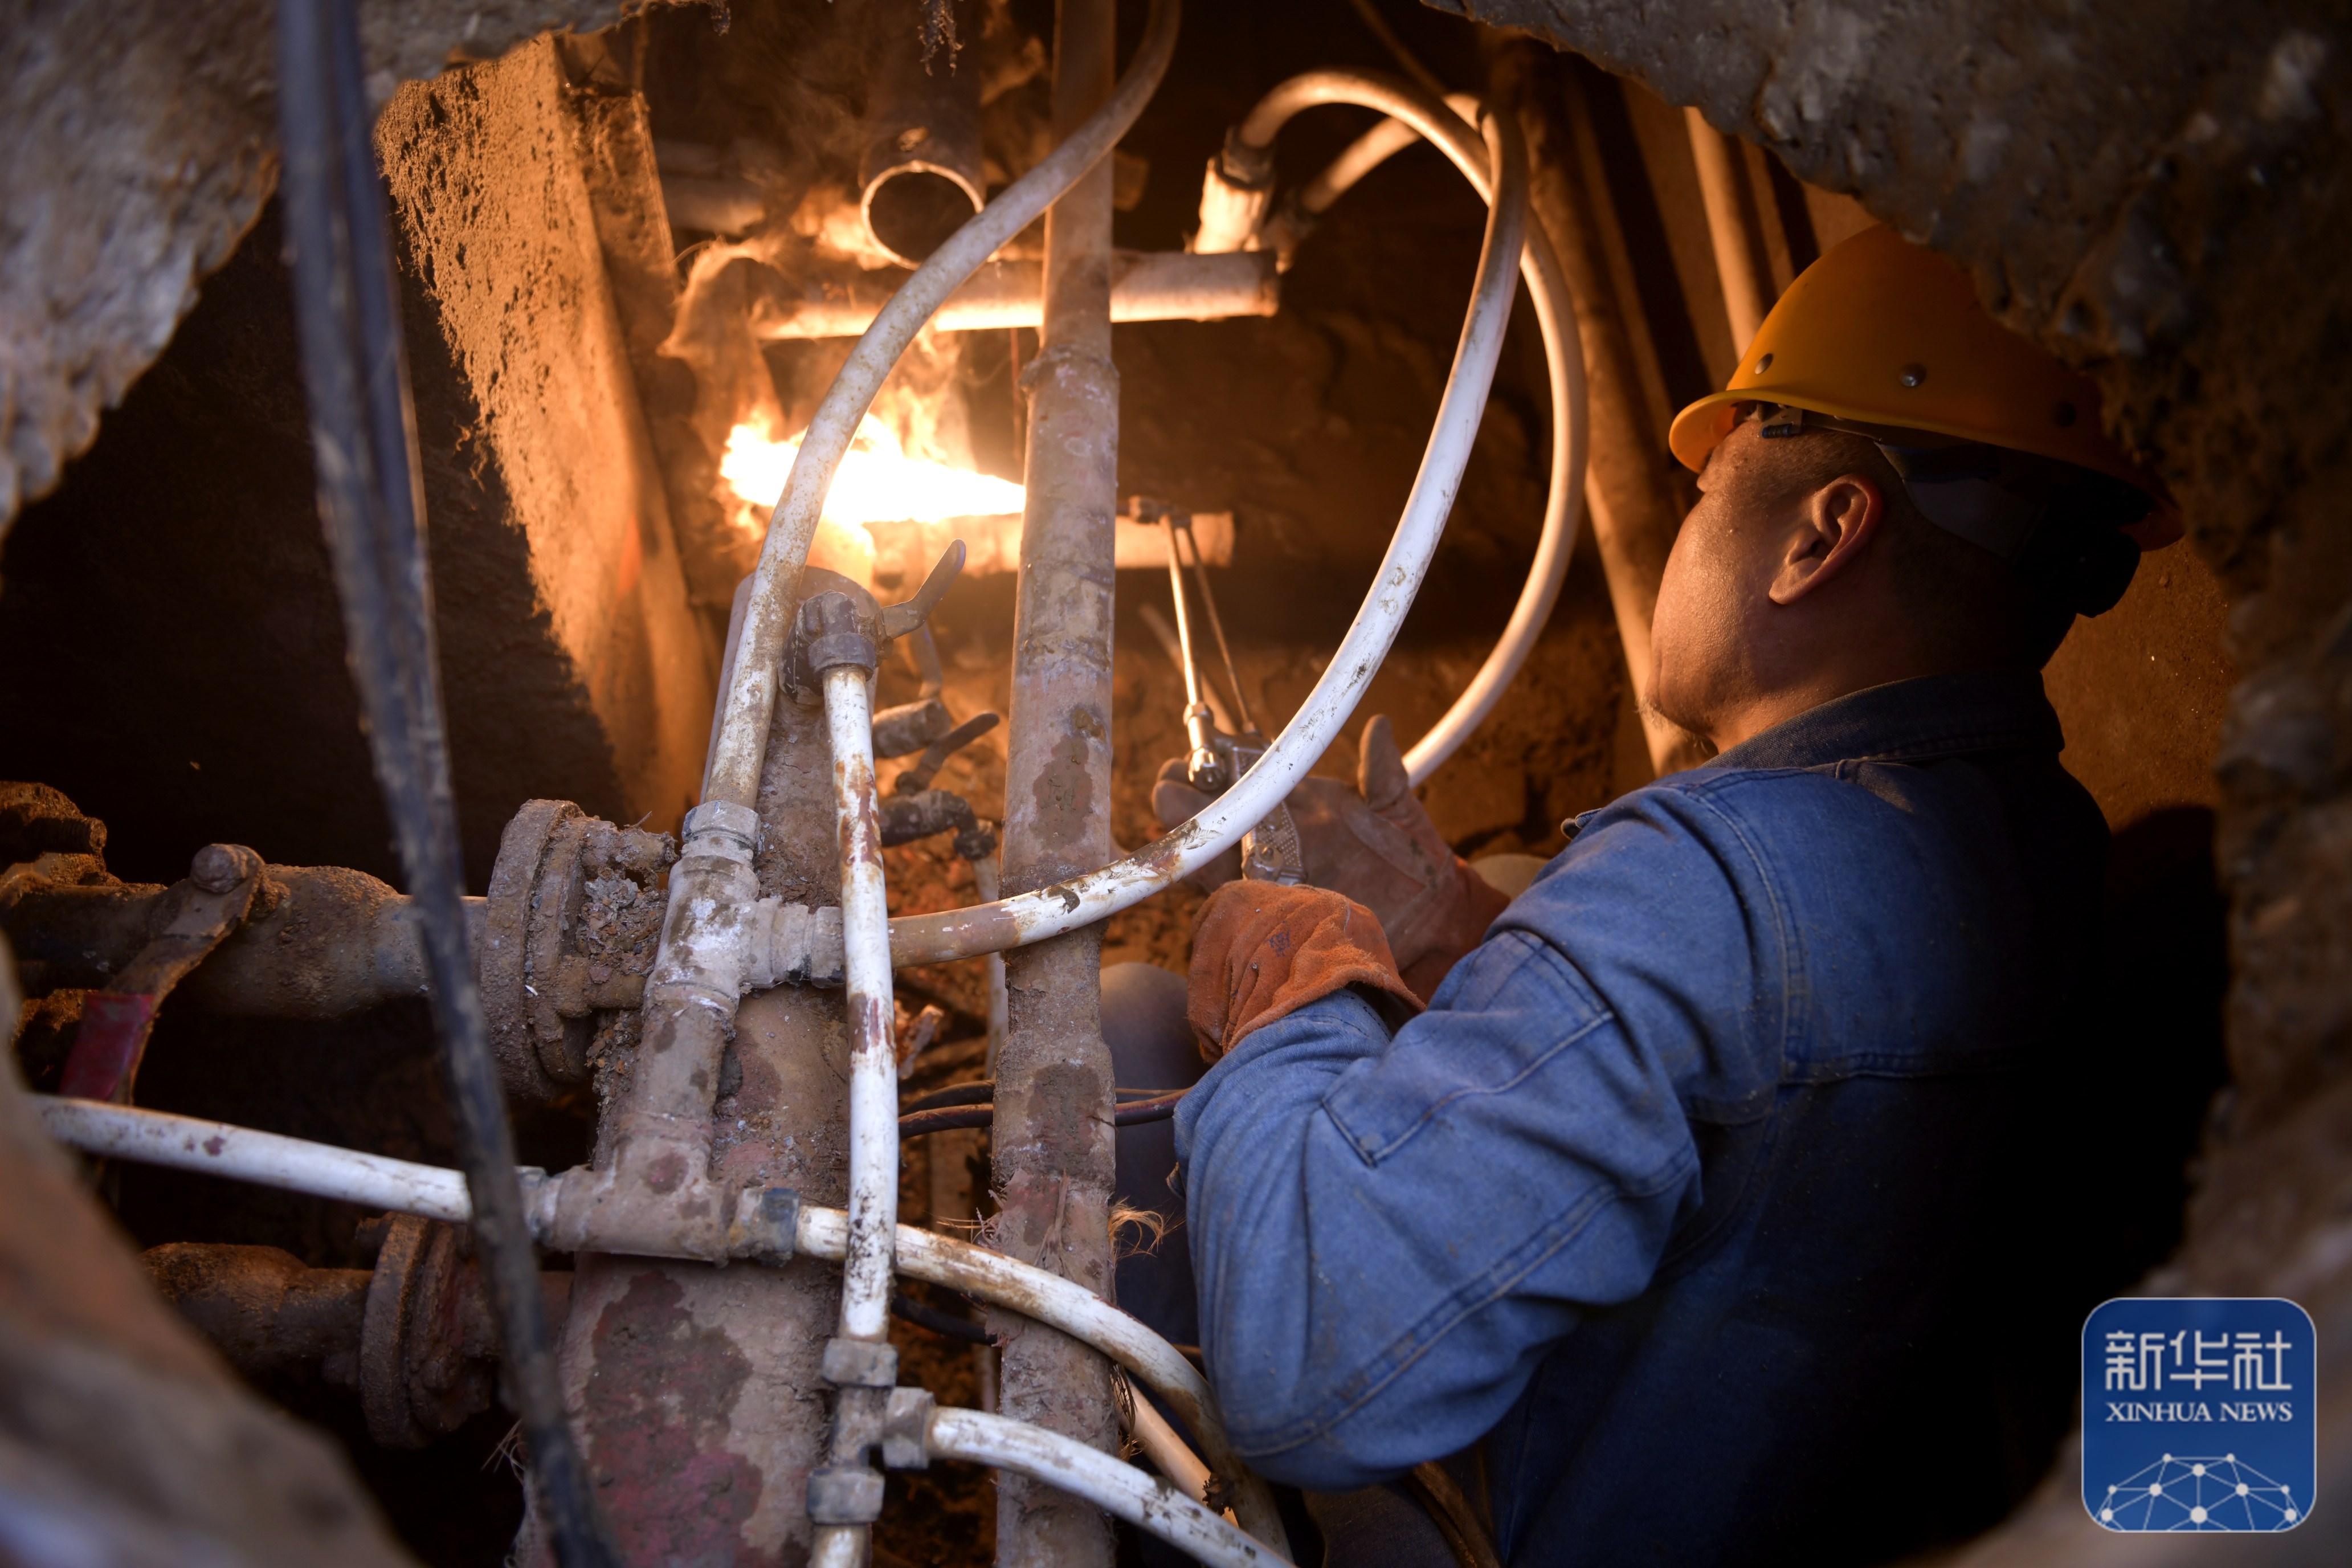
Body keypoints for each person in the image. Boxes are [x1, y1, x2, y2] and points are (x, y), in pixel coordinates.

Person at [1142, 225, 2180, 1566]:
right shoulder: (2045, 835)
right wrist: (1465, 926)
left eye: (1706, 487)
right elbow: (1748, 1038)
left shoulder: (1708, 885)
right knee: (1513, 883)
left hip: (1558, 1521)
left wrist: (1295, 984)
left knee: (1130, 1023)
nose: (1687, 523)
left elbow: (1308, 1372)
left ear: (1820, 536)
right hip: (1822, 1481)